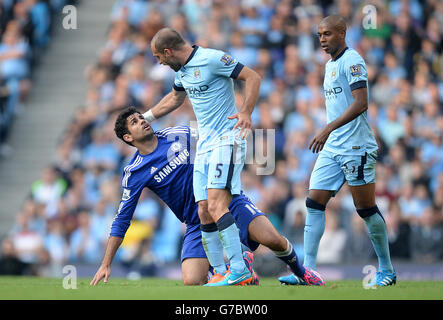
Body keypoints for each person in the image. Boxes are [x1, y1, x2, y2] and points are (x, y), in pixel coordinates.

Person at [90, 107, 324, 286]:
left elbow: (213, 140)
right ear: (128, 138)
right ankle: (240, 267)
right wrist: (106, 262)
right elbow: (122, 219)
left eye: (141, 117)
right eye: (135, 122)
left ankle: (303, 273)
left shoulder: (177, 134)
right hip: (196, 222)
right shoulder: (135, 171)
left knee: (273, 240)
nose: (142, 121)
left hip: (226, 202)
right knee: (192, 280)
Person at [278, 15, 396, 287]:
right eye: (319, 34)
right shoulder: (329, 66)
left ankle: (387, 270)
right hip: (333, 148)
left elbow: (361, 103)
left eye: (328, 34)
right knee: (313, 202)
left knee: (365, 209)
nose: (322, 39)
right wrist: (330, 132)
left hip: (356, 147)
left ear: (342, 33)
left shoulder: (352, 61)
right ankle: (308, 272)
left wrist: (327, 127)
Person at [142, 27, 261, 286]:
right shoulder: (182, 71)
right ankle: (219, 271)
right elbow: (175, 97)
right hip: (205, 145)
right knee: (204, 210)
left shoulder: (212, 59)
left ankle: (239, 267)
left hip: (226, 140)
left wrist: (246, 111)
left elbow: (252, 77)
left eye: (158, 57)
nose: (159, 63)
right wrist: (147, 117)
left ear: (168, 51)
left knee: (218, 205)